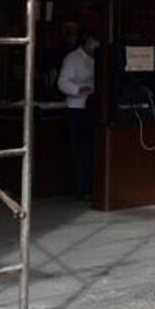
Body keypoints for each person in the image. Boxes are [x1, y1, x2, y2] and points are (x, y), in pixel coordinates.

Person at [56, 23, 98, 201]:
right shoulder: (72, 58)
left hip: (92, 108)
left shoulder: (97, 58)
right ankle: (81, 188)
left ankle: (89, 186)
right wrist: (78, 89)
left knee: (89, 150)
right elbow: (62, 82)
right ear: (86, 40)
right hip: (76, 108)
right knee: (80, 150)